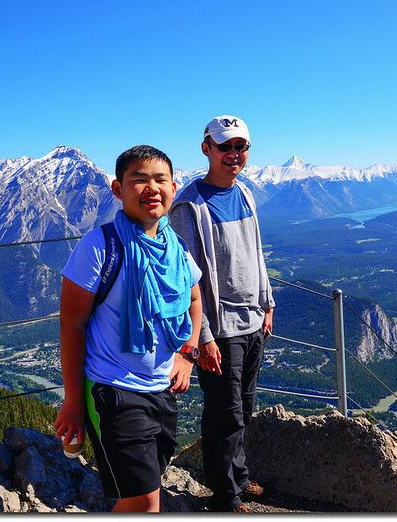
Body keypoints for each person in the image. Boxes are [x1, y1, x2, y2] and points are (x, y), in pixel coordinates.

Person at [54, 145, 203, 513]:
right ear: (118, 189)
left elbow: (195, 302)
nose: (151, 188)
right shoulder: (99, 247)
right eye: (139, 180)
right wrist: (74, 401)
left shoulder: (176, 249)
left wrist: (188, 353)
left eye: (160, 179)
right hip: (113, 391)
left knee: (142, 494)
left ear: (173, 187)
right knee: (144, 500)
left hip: (161, 391)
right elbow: (72, 324)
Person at [169, 115, 275, 513]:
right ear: (206, 149)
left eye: (241, 147)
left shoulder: (245, 194)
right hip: (221, 330)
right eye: (225, 146)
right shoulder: (190, 206)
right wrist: (205, 336)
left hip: (252, 320)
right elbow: (187, 279)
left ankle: (241, 479)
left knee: (242, 408)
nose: (234, 154)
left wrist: (267, 302)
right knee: (223, 413)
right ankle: (224, 495)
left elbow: (257, 253)